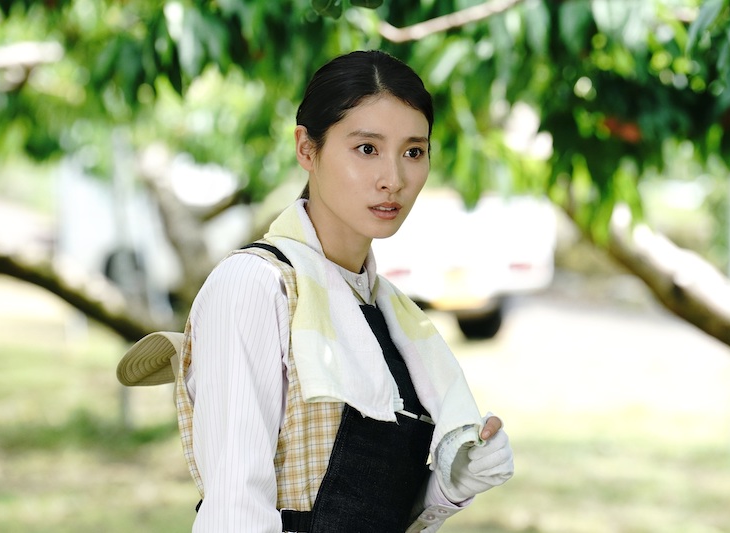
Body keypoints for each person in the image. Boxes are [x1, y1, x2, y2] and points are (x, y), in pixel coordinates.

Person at [118, 50, 513, 533]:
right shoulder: (257, 287)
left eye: (413, 152)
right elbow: (235, 511)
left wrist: (450, 483)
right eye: (366, 148)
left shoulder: (391, 314)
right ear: (307, 149)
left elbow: (370, 513)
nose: (393, 179)